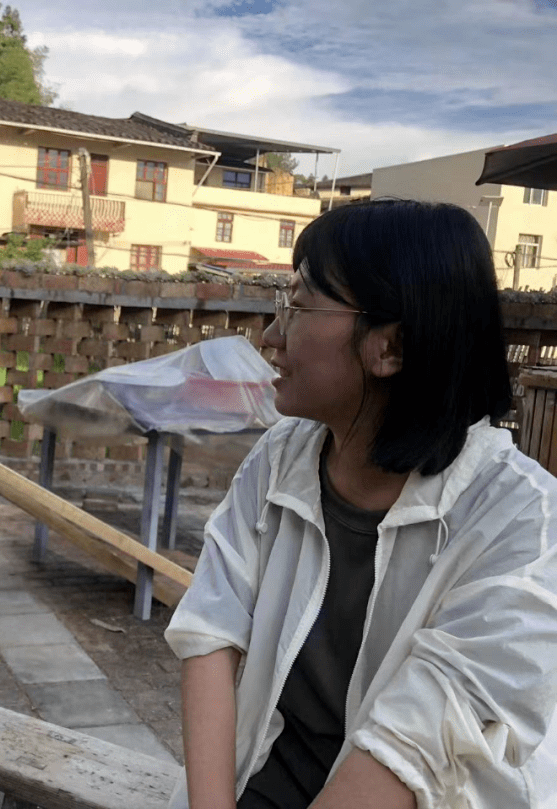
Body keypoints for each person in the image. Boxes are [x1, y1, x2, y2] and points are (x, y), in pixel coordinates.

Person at [165, 198, 557, 809]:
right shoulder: (280, 458)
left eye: (298, 305)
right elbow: (212, 633)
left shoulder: (522, 518)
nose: (270, 335)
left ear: (390, 347)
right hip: (271, 780)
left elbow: (417, 745)